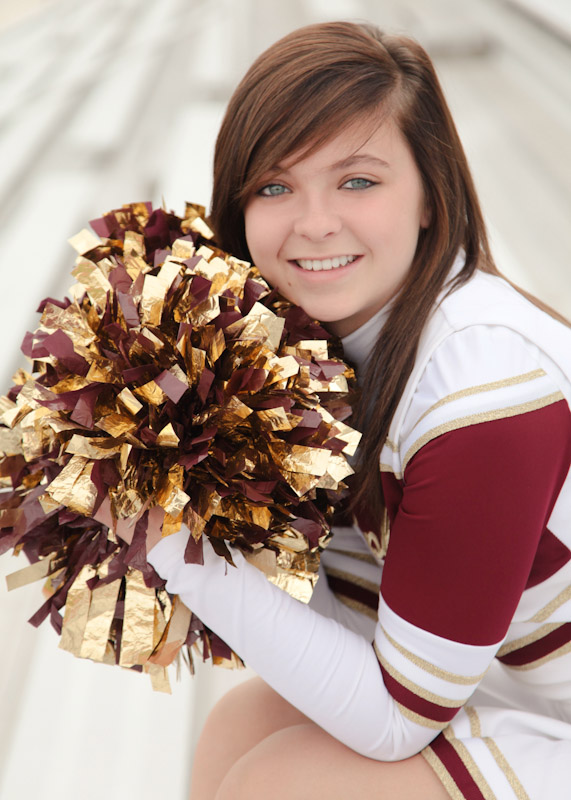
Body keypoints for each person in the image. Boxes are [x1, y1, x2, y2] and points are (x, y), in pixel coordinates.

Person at [146, 21, 571, 799]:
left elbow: (395, 719)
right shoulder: (304, 353)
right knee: (240, 729)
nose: (313, 224)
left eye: (357, 181)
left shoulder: (485, 385)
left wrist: (165, 527)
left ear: (427, 196)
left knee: (282, 781)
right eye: (275, 186)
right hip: (499, 698)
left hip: (545, 720)